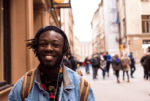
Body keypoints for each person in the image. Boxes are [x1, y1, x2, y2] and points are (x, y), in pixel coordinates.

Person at [8, 26, 95, 101]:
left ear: (64, 50)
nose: (48, 48)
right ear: (36, 48)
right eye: (43, 44)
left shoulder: (81, 87)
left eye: (55, 45)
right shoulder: (23, 87)